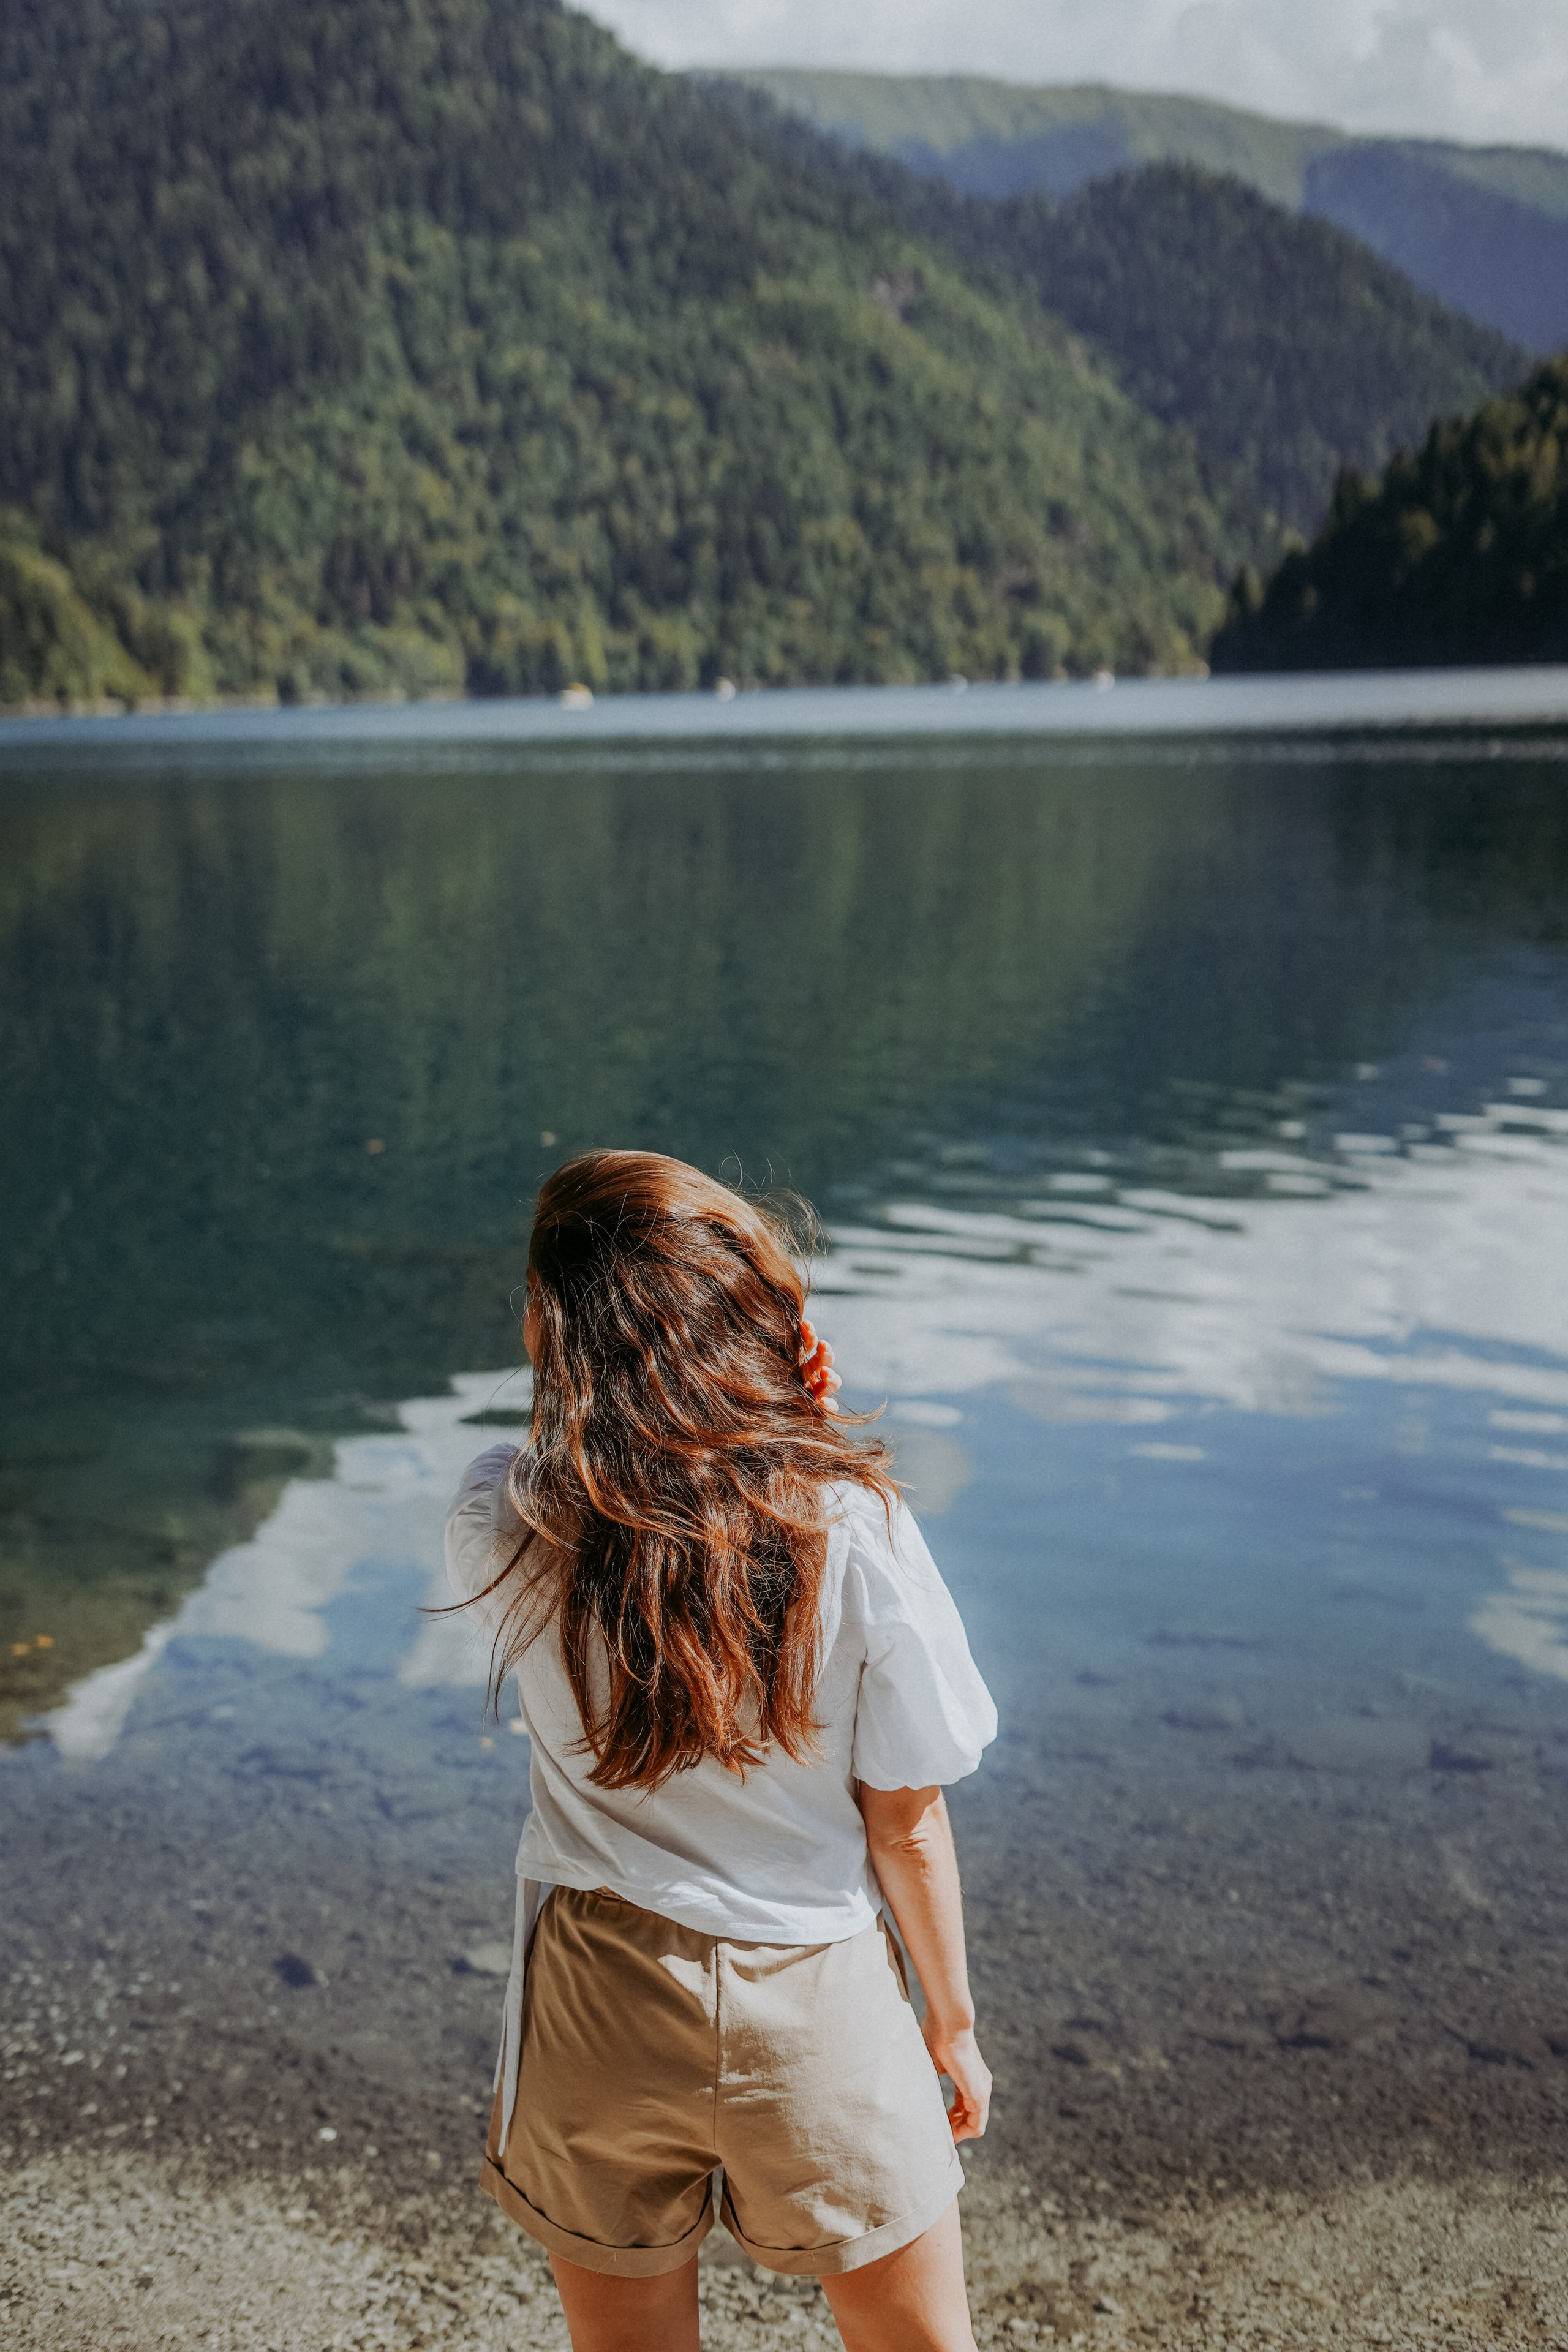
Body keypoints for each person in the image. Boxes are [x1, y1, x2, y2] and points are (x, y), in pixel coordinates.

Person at [445, 1151, 997, 2352]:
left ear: (553, 1332)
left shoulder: (500, 1516)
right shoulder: (851, 1524)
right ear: (754, 1316)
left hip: (594, 1996)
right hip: (814, 1997)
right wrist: (948, 2026)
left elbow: (616, 1510)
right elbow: (903, 1818)